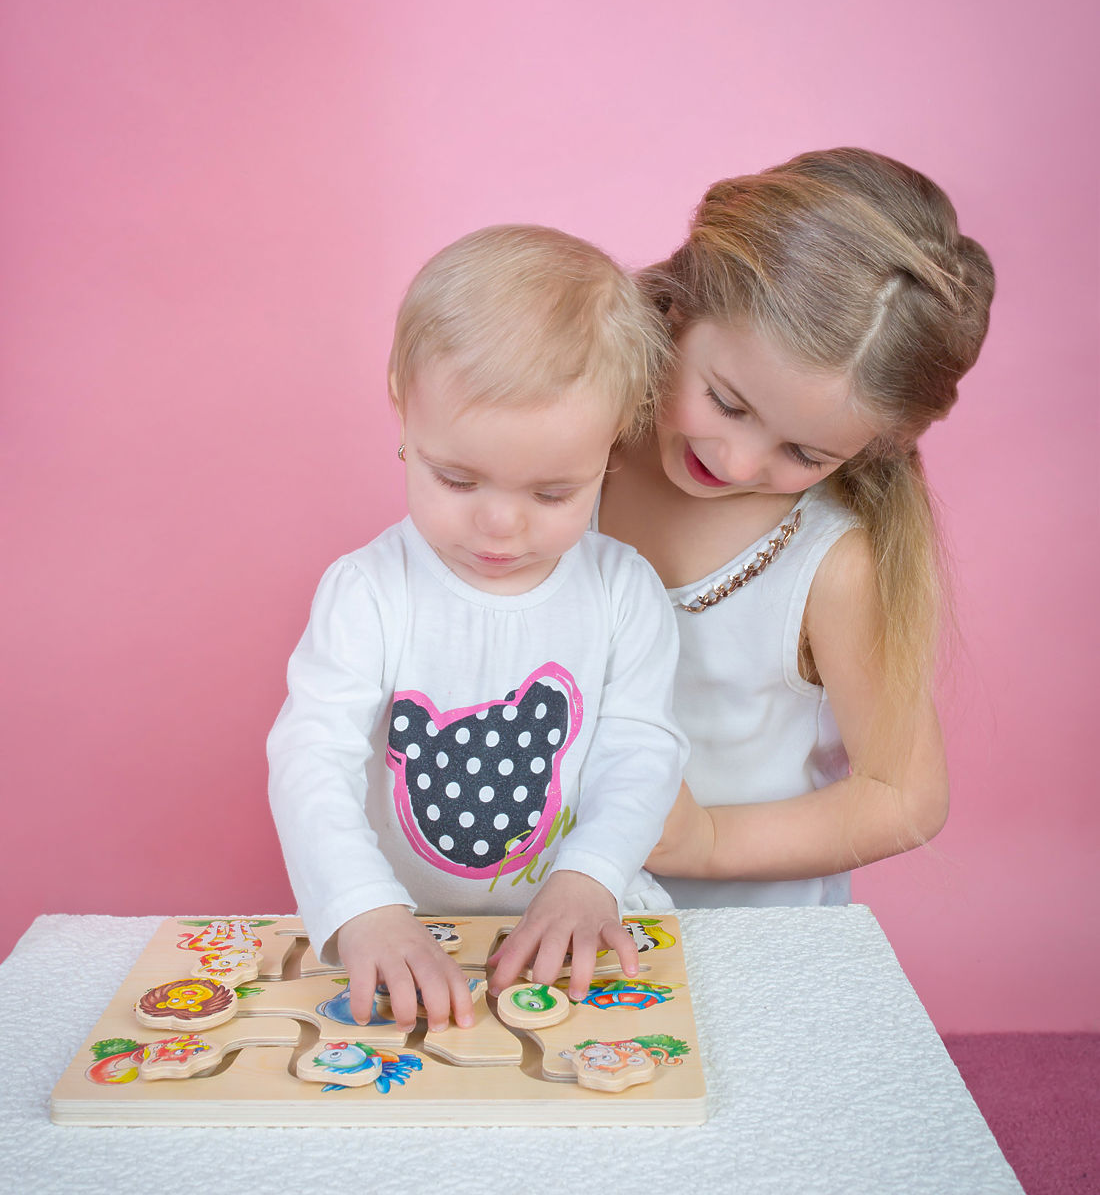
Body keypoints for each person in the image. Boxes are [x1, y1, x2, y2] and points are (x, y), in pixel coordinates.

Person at [267, 225, 687, 1034]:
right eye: (456, 479)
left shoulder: (622, 590)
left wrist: (591, 877)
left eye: (553, 493)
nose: (499, 525)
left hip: (583, 917)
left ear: (614, 442)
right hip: (406, 927)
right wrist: (365, 909)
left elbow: (642, 750)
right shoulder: (370, 591)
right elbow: (310, 757)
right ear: (403, 402)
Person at [595, 147, 995, 908]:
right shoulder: (578, 453)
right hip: (552, 920)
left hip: (750, 938)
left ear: (868, 449)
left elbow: (905, 795)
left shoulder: (831, 565)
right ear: (678, 307)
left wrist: (706, 840)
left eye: (804, 453)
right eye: (728, 403)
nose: (738, 460)